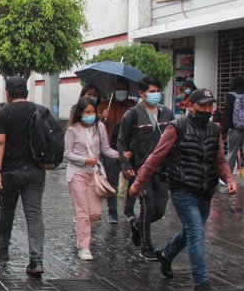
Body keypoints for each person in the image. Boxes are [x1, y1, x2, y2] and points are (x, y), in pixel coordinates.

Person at [129, 89, 237, 291]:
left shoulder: (215, 129)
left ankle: (166, 255)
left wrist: (230, 179)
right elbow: (155, 157)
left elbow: (220, 160)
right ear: (191, 107)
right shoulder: (177, 127)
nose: (207, 110)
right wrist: (138, 183)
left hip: (205, 190)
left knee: (190, 232)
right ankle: (201, 282)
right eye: (203, 106)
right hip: (182, 188)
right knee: (196, 232)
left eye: (210, 106)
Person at [0, 77, 47, 275]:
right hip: (35, 170)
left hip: (10, 171)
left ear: (8, 93)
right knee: (34, 214)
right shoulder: (39, 110)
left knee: (6, 210)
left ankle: (3, 246)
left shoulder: (3, 113)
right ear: (26, 92)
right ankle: (36, 259)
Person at [117, 76, 173, 261]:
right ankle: (146, 246)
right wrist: (125, 165)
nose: (156, 95)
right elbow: (122, 142)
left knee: (160, 210)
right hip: (140, 168)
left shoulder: (166, 113)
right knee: (147, 207)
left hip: (162, 169)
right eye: (152, 91)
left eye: (158, 91)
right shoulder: (132, 115)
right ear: (142, 93)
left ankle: (137, 226)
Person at [63, 96, 119, 261]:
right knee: (82, 211)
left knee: (95, 212)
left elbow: (106, 149)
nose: (90, 115)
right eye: (87, 112)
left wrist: (122, 155)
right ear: (80, 113)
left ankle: (81, 228)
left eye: (92, 111)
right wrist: (84, 160)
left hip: (94, 174)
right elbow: (67, 153)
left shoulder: (99, 127)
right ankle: (84, 247)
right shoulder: (72, 130)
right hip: (77, 174)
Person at [96, 79, 137, 223]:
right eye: (118, 89)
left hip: (128, 149)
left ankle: (129, 209)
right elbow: (95, 124)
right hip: (110, 148)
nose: (121, 92)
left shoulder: (132, 107)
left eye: (123, 89)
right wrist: (102, 117)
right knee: (112, 181)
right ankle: (112, 211)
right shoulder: (104, 105)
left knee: (132, 178)